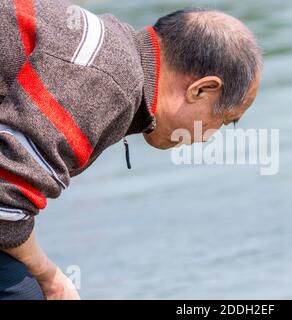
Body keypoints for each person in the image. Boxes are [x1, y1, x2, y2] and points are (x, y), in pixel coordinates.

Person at [0, 0, 262, 299]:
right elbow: (6, 203)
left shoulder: (114, 54)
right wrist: (50, 277)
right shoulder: (110, 81)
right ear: (201, 89)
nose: (207, 137)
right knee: (22, 293)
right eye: (223, 121)